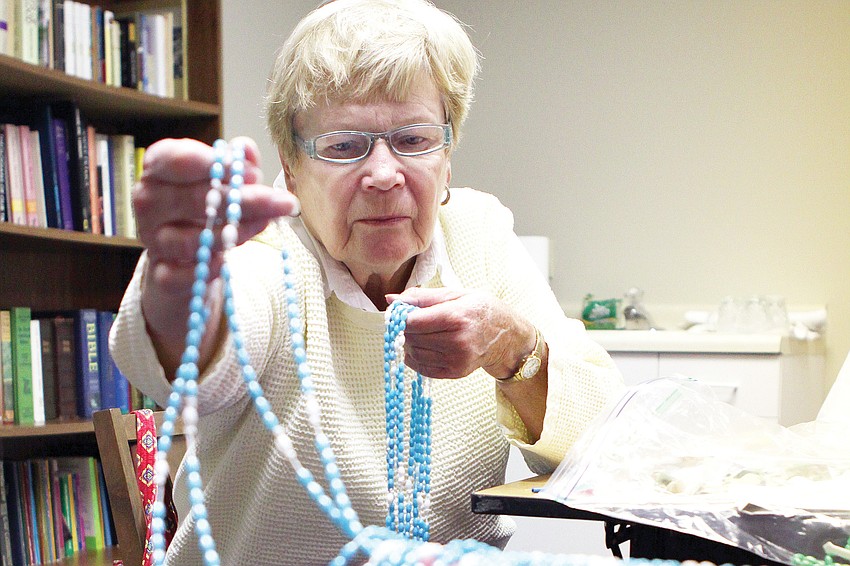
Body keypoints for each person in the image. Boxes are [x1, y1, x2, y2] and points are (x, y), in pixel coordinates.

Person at [110, 0, 625, 563]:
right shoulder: (266, 251)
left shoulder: (479, 234)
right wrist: (183, 279)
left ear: (447, 154)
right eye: (343, 146)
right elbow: (193, 361)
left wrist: (511, 345)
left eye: (413, 140)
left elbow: (602, 444)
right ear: (292, 165)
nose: (383, 174)